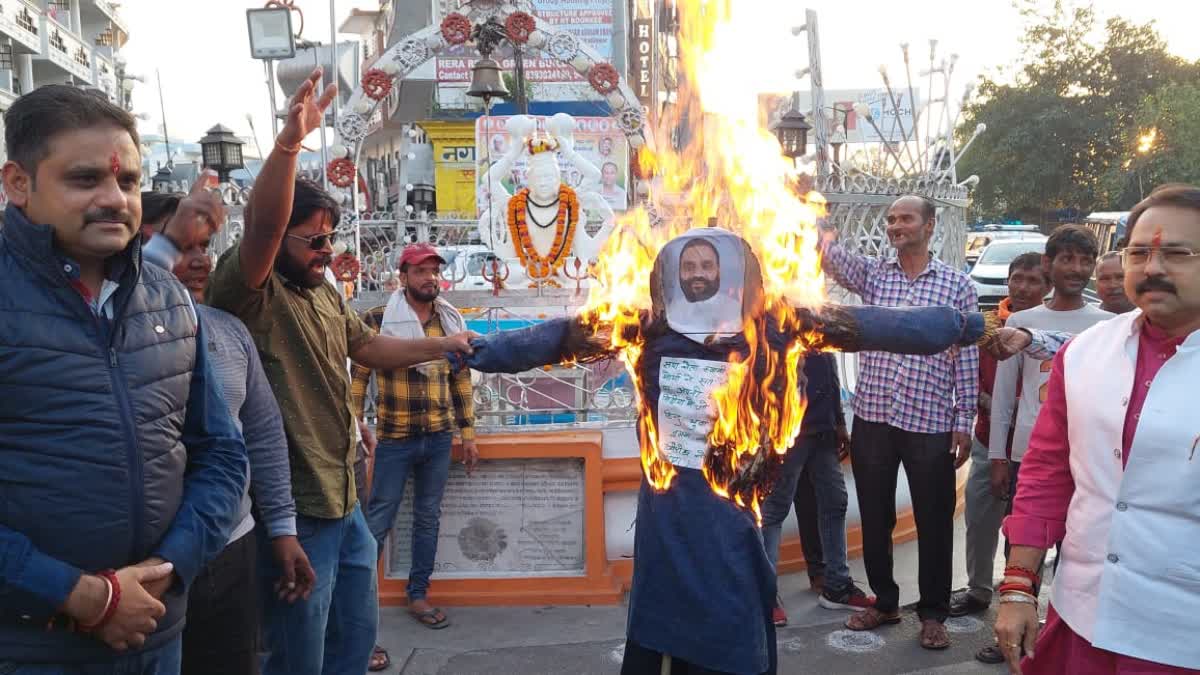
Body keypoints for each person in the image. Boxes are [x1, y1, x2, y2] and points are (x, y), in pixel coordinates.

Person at [451, 228, 1000, 675]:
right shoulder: (646, 323)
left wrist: (963, 326)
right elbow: (556, 339)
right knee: (659, 605)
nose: (696, 273)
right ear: (671, 273)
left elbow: (878, 326)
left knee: (734, 598)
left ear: (732, 272)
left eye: (707, 264)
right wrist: (483, 350)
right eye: (687, 264)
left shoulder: (778, 321)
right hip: (667, 496)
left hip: (733, 496)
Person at [205, 68, 473, 675]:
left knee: (355, 637)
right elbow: (264, 227)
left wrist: (444, 345)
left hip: (345, 493)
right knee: (299, 651)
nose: (327, 252)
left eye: (331, 239)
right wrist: (289, 146)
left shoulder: (322, 288)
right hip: (294, 509)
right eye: (315, 241)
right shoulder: (252, 288)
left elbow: (369, 348)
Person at [0, 86, 247, 671]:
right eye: (86, 180)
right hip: (29, 648)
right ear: (18, 183)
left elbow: (221, 453)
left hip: (155, 633)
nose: (115, 199)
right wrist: (83, 596)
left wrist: (163, 575)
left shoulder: (167, 299)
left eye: (129, 182)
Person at [992, 184, 1200, 673]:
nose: (1152, 268)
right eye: (1138, 253)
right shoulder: (1084, 352)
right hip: (1082, 611)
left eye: (1175, 253)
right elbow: (1046, 473)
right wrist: (1019, 587)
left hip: (1181, 632)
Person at [140, 182, 316, 675]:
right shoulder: (114, 337)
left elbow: (260, 434)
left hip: (232, 545)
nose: (198, 261)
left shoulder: (228, 332)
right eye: (177, 246)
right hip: (147, 561)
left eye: (203, 247)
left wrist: (282, 528)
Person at [820, 195, 979, 650]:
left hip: (929, 422)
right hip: (873, 418)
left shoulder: (956, 286)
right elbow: (827, 254)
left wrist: (962, 419)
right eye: (890, 219)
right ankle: (885, 602)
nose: (895, 226)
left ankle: (933, 613)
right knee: (874, 515)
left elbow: (965, 357)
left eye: (905, 218)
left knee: (933, 519)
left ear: (930, 225)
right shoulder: (873, 276)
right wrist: (799, 202)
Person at [349, 243, 478, 648]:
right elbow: (358, 378)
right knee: (378, 521)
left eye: (434, 271)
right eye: (420, 271)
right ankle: (355, 605)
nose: (429, 278)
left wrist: (468, 433)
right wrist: (353, 425)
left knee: (428, 518)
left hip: (438, 436)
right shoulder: (378, 319)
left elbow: (459, 378)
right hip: (394, 438)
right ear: (402, 276)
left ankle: (418, 595)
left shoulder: (448, 321)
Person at [953, 252, 1051, 627]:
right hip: (987, 438)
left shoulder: (1047, 331)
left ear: (1047, 286)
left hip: (1036, 447)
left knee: (1026, 530)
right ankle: (978, 589)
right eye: (1018, 279)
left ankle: (1024, 604)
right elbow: (965, 373)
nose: (1023, 287)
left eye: (1033, 281)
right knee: (979, 518)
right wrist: (990, 404)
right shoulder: (986, 325)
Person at [761, 352, 873, 628]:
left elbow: (829, 364)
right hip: (787, 431)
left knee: (835, 502)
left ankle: (836, 585)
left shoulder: (816, 313)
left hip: (823, 429)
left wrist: (839, 422)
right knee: (774, 511)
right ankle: (764, 596)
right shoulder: (774, 314)